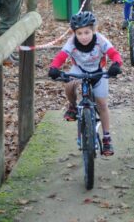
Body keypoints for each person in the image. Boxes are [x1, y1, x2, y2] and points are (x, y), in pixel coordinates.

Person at [48, 11, 123, 156]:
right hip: (79, 70)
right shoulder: (71, 42)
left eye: (87, 32)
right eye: (79, 33)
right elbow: (61, 56)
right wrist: (54, 68)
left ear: (94, 30)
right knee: (69, 85)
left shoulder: (100, 40)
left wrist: (116, 65)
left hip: (98, 72)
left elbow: (114, 53)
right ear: (74, 33)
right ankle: (73, 106)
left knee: (102, 104)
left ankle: (107, 138)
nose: (83, 37)